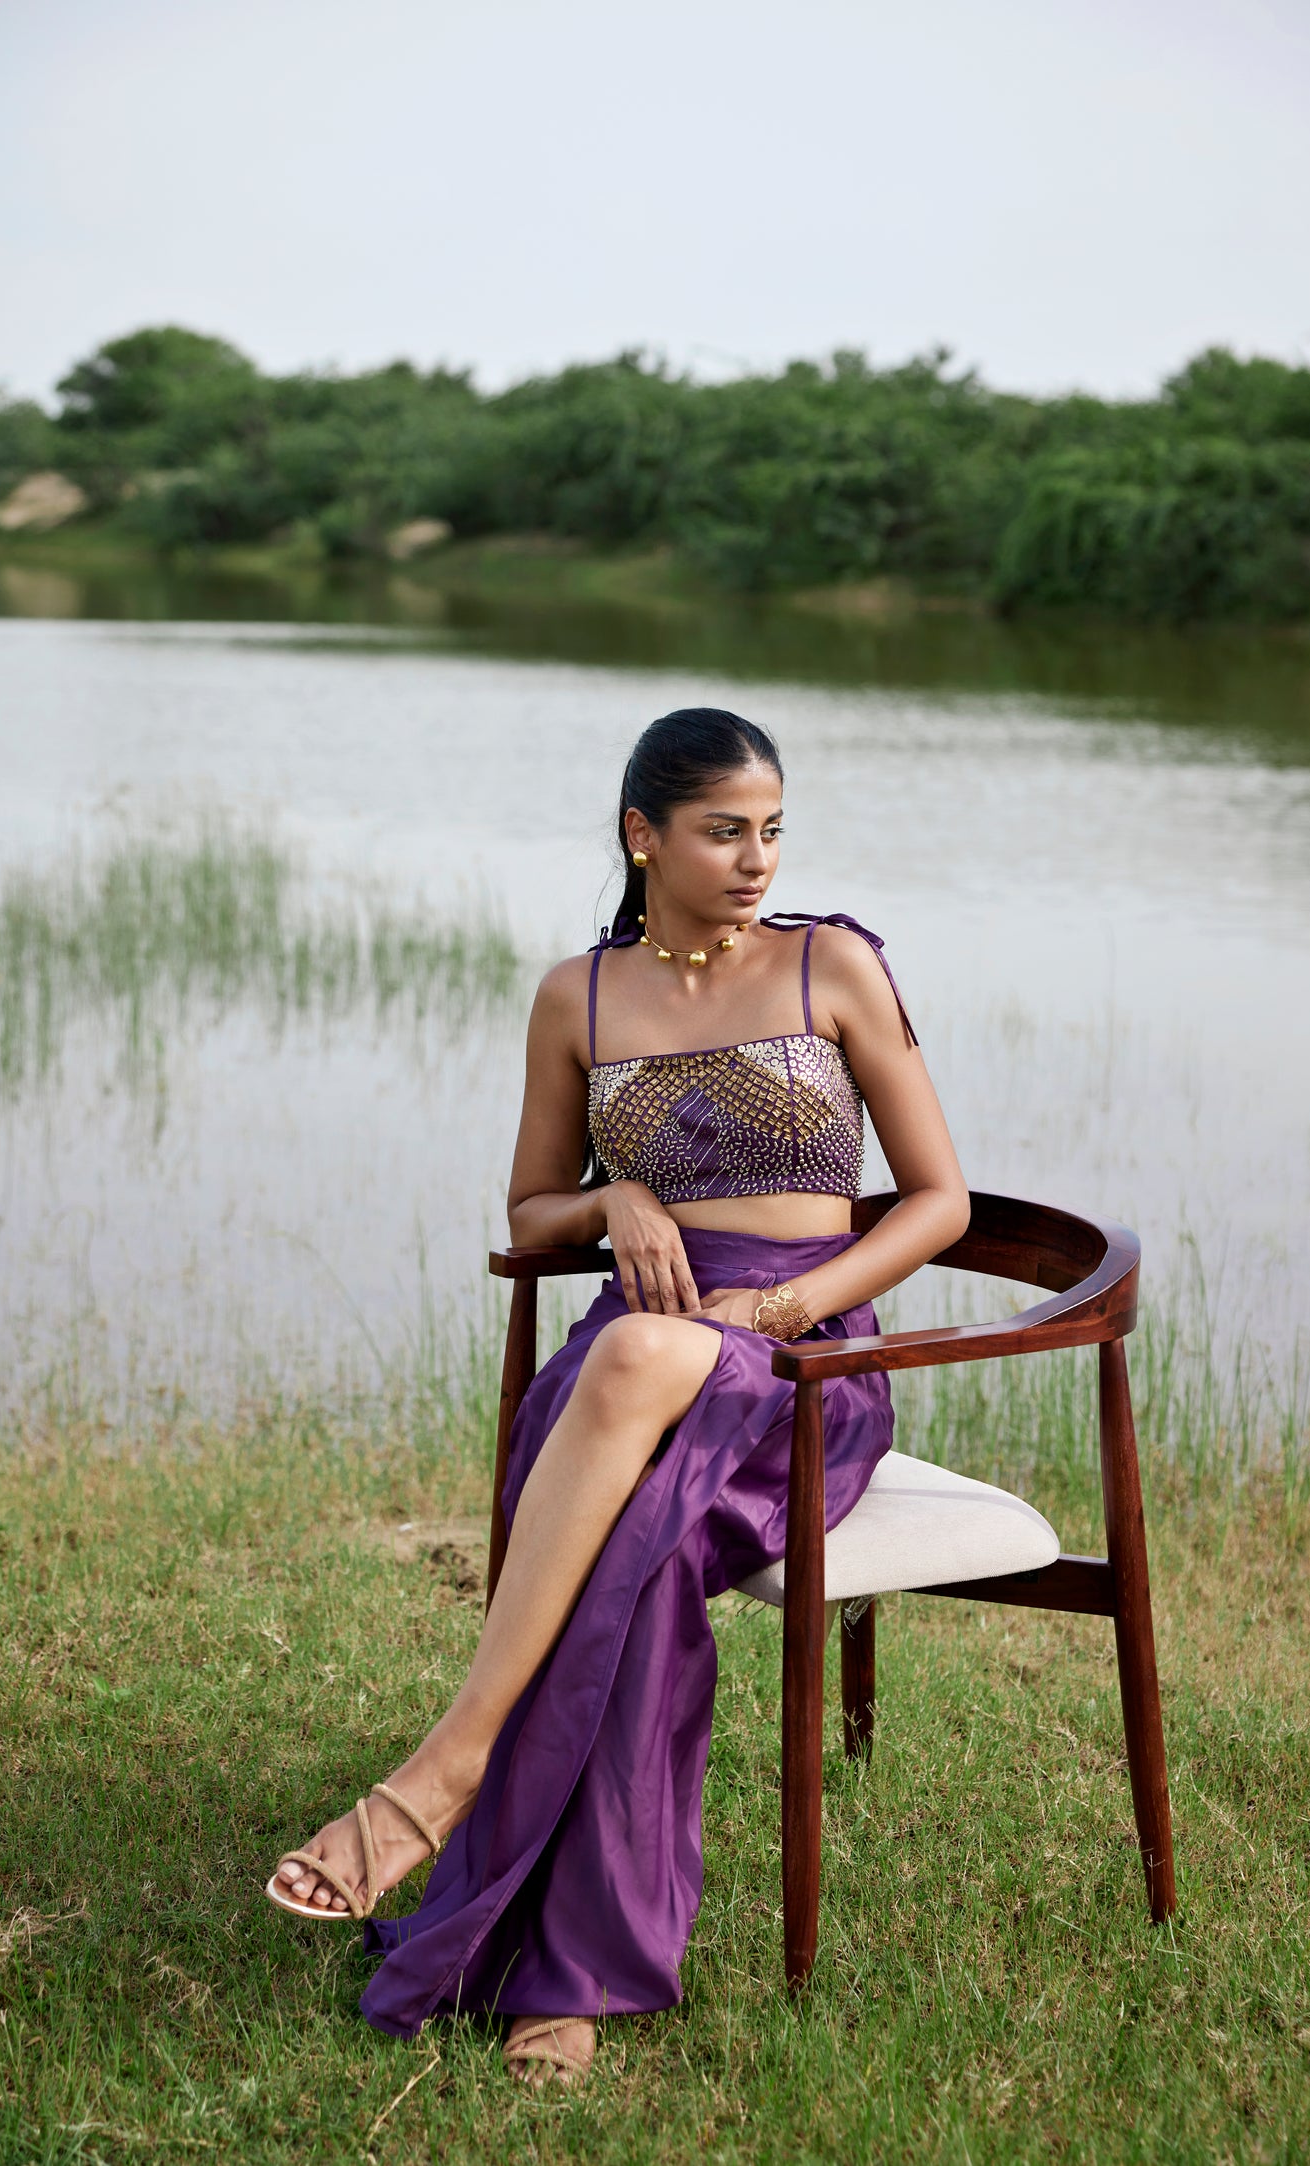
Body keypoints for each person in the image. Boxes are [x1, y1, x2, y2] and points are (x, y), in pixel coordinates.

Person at [266, 706, 969, 2085]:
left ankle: (446, 1769)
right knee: (631, 1534)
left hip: (798, 1367)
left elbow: (938, 1199)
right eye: (722, 830)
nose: (755, 856)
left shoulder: (834, 965)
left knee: (647, 1366)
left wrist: (777, 1306)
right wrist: (614, 1193)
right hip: (627, 1370)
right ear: (642, 835)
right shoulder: (577, 999)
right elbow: (530, 1216)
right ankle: (566, 1977)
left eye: (770, 828)